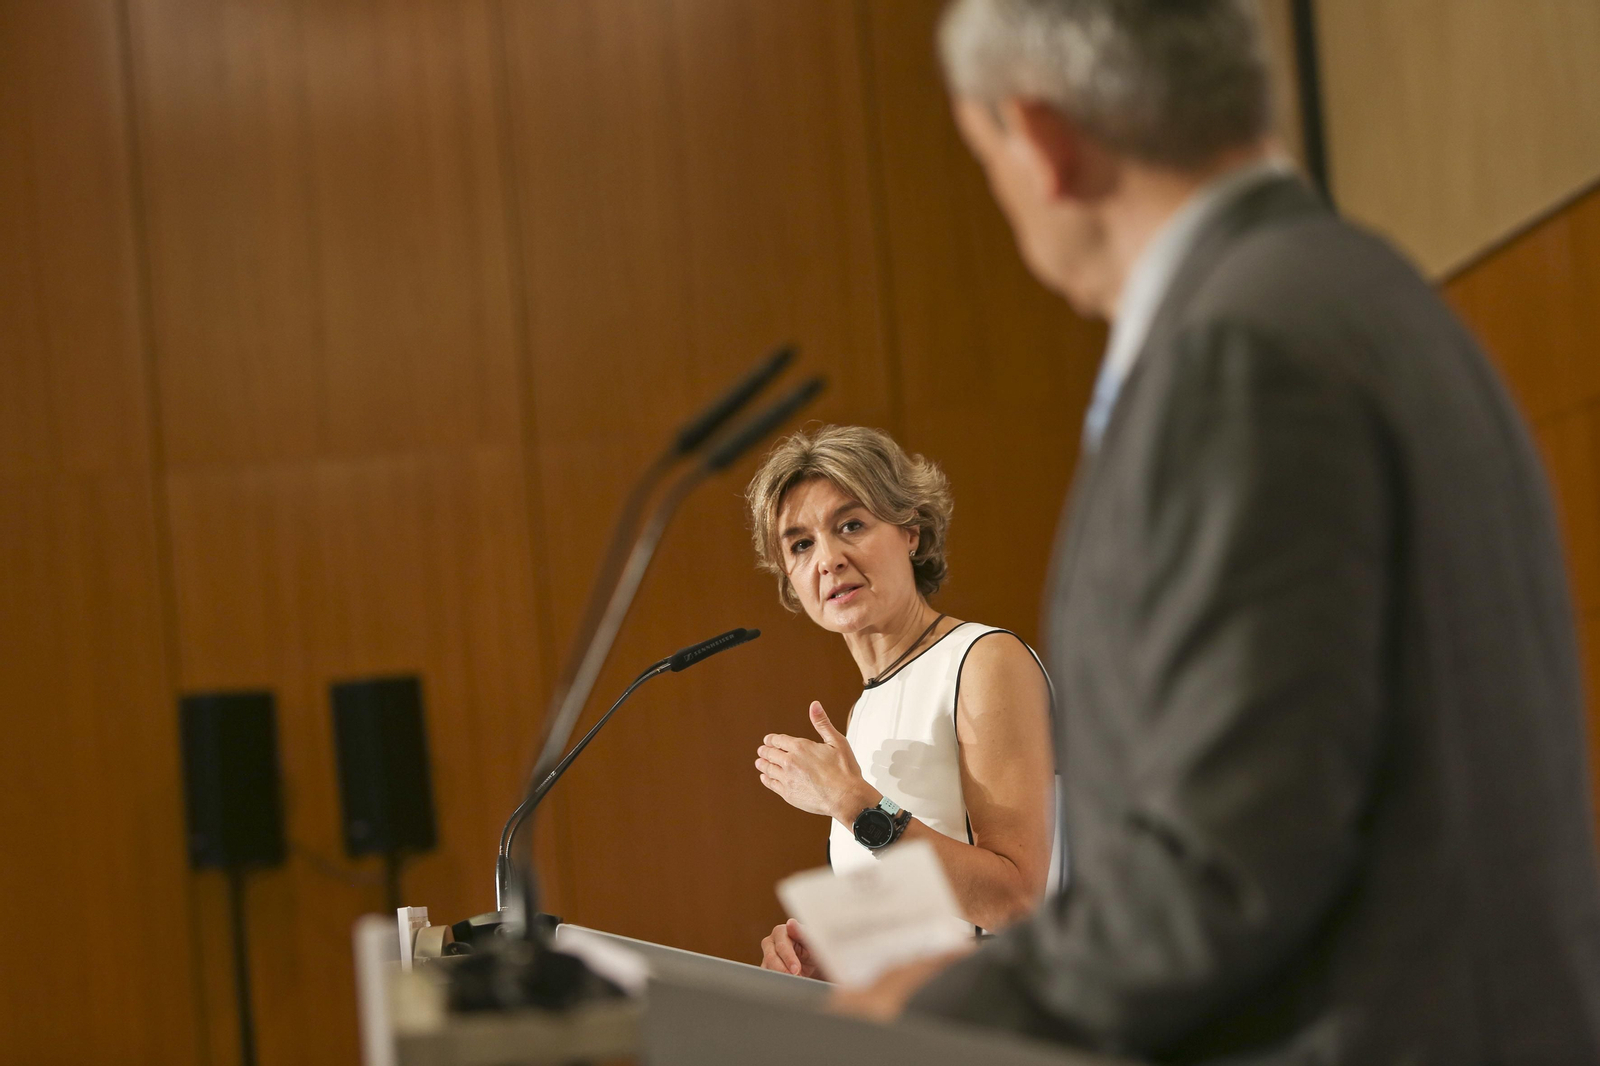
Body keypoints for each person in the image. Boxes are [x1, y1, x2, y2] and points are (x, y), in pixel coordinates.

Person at [836, 1, 1600, 1062]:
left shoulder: (1236, 356)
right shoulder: (1368, 291)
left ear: (1044, 140)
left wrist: (935, 1012)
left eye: (984, 156)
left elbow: (1228, 857)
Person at [745, 425, 1058, 977]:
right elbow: (936, 922)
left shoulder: (982, 660)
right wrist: (834, 958)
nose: (829, 559)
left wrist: (853, 802)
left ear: (910, 530)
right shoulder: (864, 712)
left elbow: (1016, 902)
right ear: (789, 579)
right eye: (801, 544)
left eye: (852, 525)